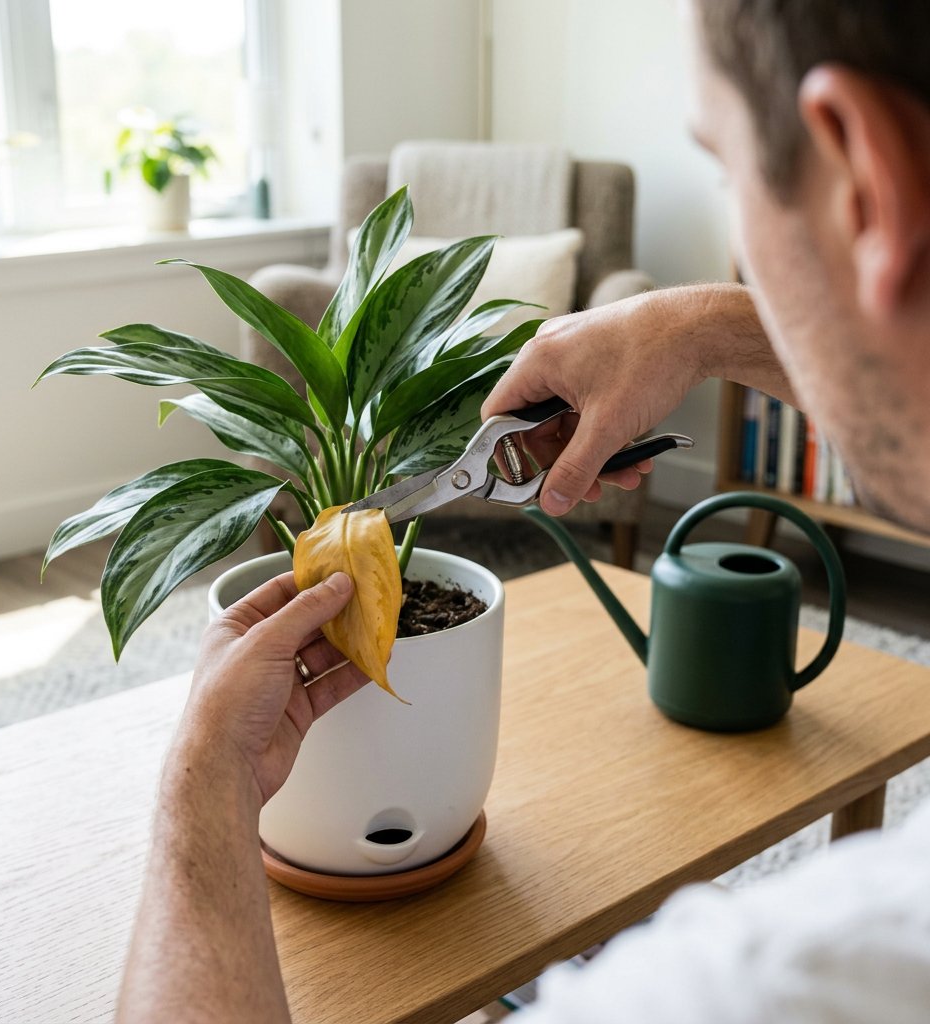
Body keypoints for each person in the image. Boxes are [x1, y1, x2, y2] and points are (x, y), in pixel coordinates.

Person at [117, 1, 930, 1020]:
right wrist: (698, 326)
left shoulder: (746, 986)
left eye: (725, 170)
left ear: (863, 178)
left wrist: (204, 780)